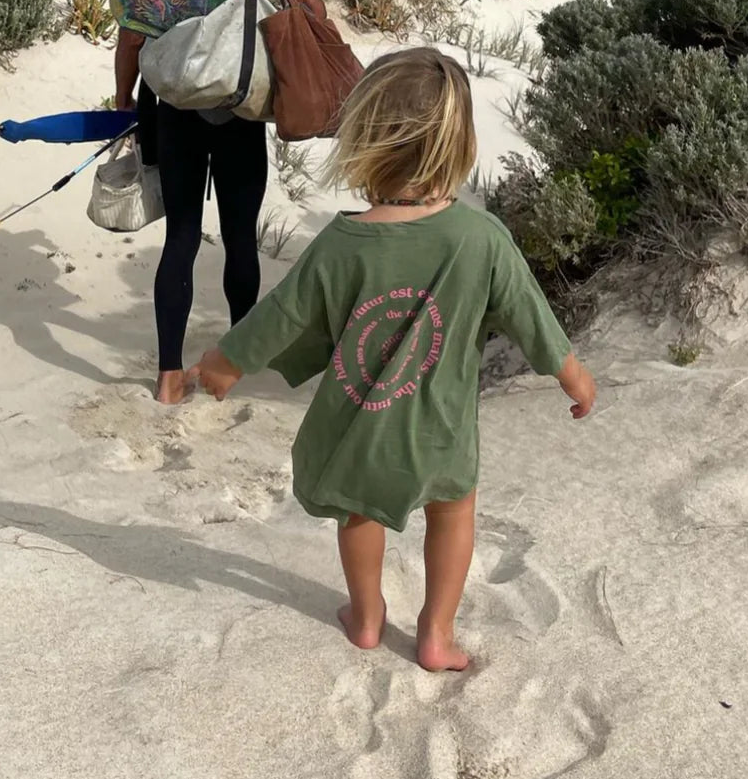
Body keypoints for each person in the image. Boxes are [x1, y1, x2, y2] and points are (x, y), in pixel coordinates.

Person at [190, 47, 596, 671]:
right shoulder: (482, 238)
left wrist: (224, 362)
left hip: (363, 428)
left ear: (365, 142)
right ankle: (435, 634)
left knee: (357, 511)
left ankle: (367, 615)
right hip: (443, 433)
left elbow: (282, 314)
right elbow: (532, 318)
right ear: (458, 146)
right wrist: (574, 378)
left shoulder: (344, 241)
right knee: (454, 511)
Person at [114, 0, 326, 406]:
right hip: (237, 105)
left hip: (175, 107)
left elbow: (132, 34)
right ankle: (233, 361)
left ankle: (166, 377)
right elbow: (308, 3)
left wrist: (123, 98)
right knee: (239, 238)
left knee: (180, 237)